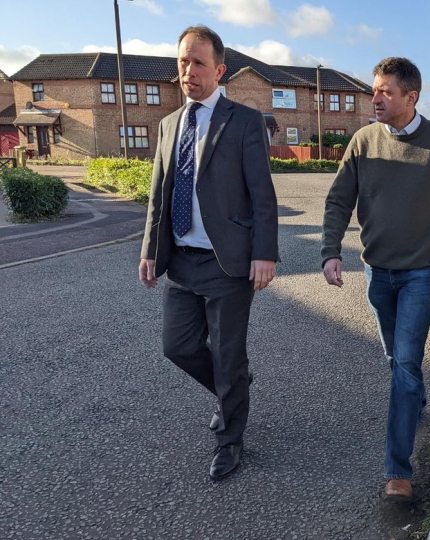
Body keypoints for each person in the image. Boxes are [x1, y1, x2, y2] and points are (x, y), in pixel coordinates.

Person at [321, 57, 430, 502]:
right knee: (397, 359)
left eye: (385, 92)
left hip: (421, 273)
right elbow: (338, 201)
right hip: (377, 270)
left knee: (407, 363)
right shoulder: (362, 142)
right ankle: (414, 396)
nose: (375, 99)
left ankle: (398, 471)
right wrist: (330, 251)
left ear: (411, 98)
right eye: (374, 90)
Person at [138, 25, 279, 480]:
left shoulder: (244, 121)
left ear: (218, 70)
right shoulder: (166, 125)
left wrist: (265, 253)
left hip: (228, 262)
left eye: (198, 62)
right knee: (176, 347)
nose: (188, 70)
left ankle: (230, 440)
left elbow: (263, 194)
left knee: (229, 354)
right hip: (180, 259)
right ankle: (232, 389)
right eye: (183, 61)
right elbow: (159, 196)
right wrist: (149, 252)